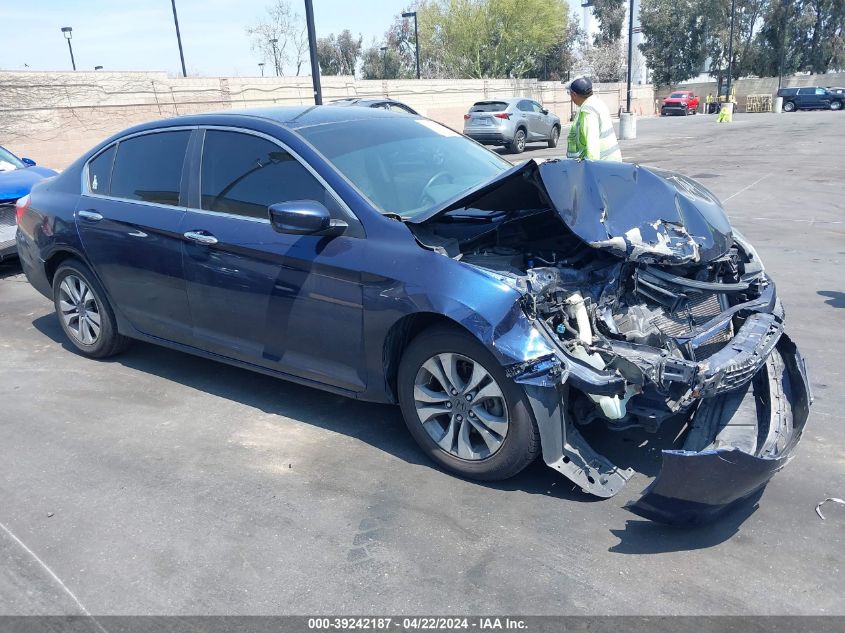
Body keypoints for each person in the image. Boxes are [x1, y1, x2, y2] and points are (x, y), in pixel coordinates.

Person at [564, 75, 622, 162]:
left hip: (603, 165)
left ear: (574, 94)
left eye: (570, 94)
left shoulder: (588, 112)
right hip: (611, 162)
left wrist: (592, 167)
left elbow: (592, 144)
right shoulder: (596, 103)